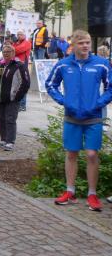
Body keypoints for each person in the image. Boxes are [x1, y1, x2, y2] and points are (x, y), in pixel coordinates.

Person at [47, 30, 111, 212]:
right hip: (72, 116)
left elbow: (110, 87)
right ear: (73, 45)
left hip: (93, 117)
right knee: (71, 154)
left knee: (91, 154)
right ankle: (70, 191)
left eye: (87, 42)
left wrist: (98, 103)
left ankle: (92, 194)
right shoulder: (63, 64)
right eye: (81, 43)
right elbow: (50, 84)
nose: (85, 46)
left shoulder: (101, 63)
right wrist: (64, 101)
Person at [0, 45, 30, 151]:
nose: (6, 53)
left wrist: (17, 96)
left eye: (8, 51)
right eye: (4, 52)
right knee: (1, 119)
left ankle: (10, 141)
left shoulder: (19, 65)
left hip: (12, 98)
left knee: (10, 119)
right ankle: (3, 139)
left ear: (13, 53)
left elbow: (25, 83)